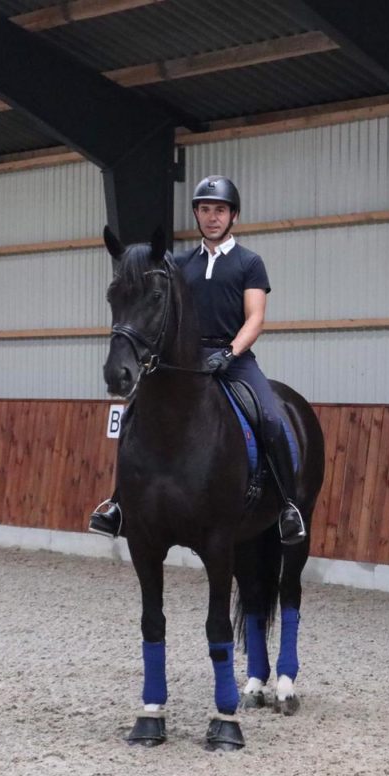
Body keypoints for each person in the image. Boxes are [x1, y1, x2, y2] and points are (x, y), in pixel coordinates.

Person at [90, 175, 307, 545]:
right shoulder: (181, 264)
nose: (212, 217)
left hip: (234, 358)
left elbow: (255, 318)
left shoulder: (249, 263)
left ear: (233, 215)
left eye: (219, 210)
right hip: (186, 360)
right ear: (196, 214)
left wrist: (230, 352)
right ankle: (119, 503)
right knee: (134, 416)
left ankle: (288, 505)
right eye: (205, 209)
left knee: (270, 416)